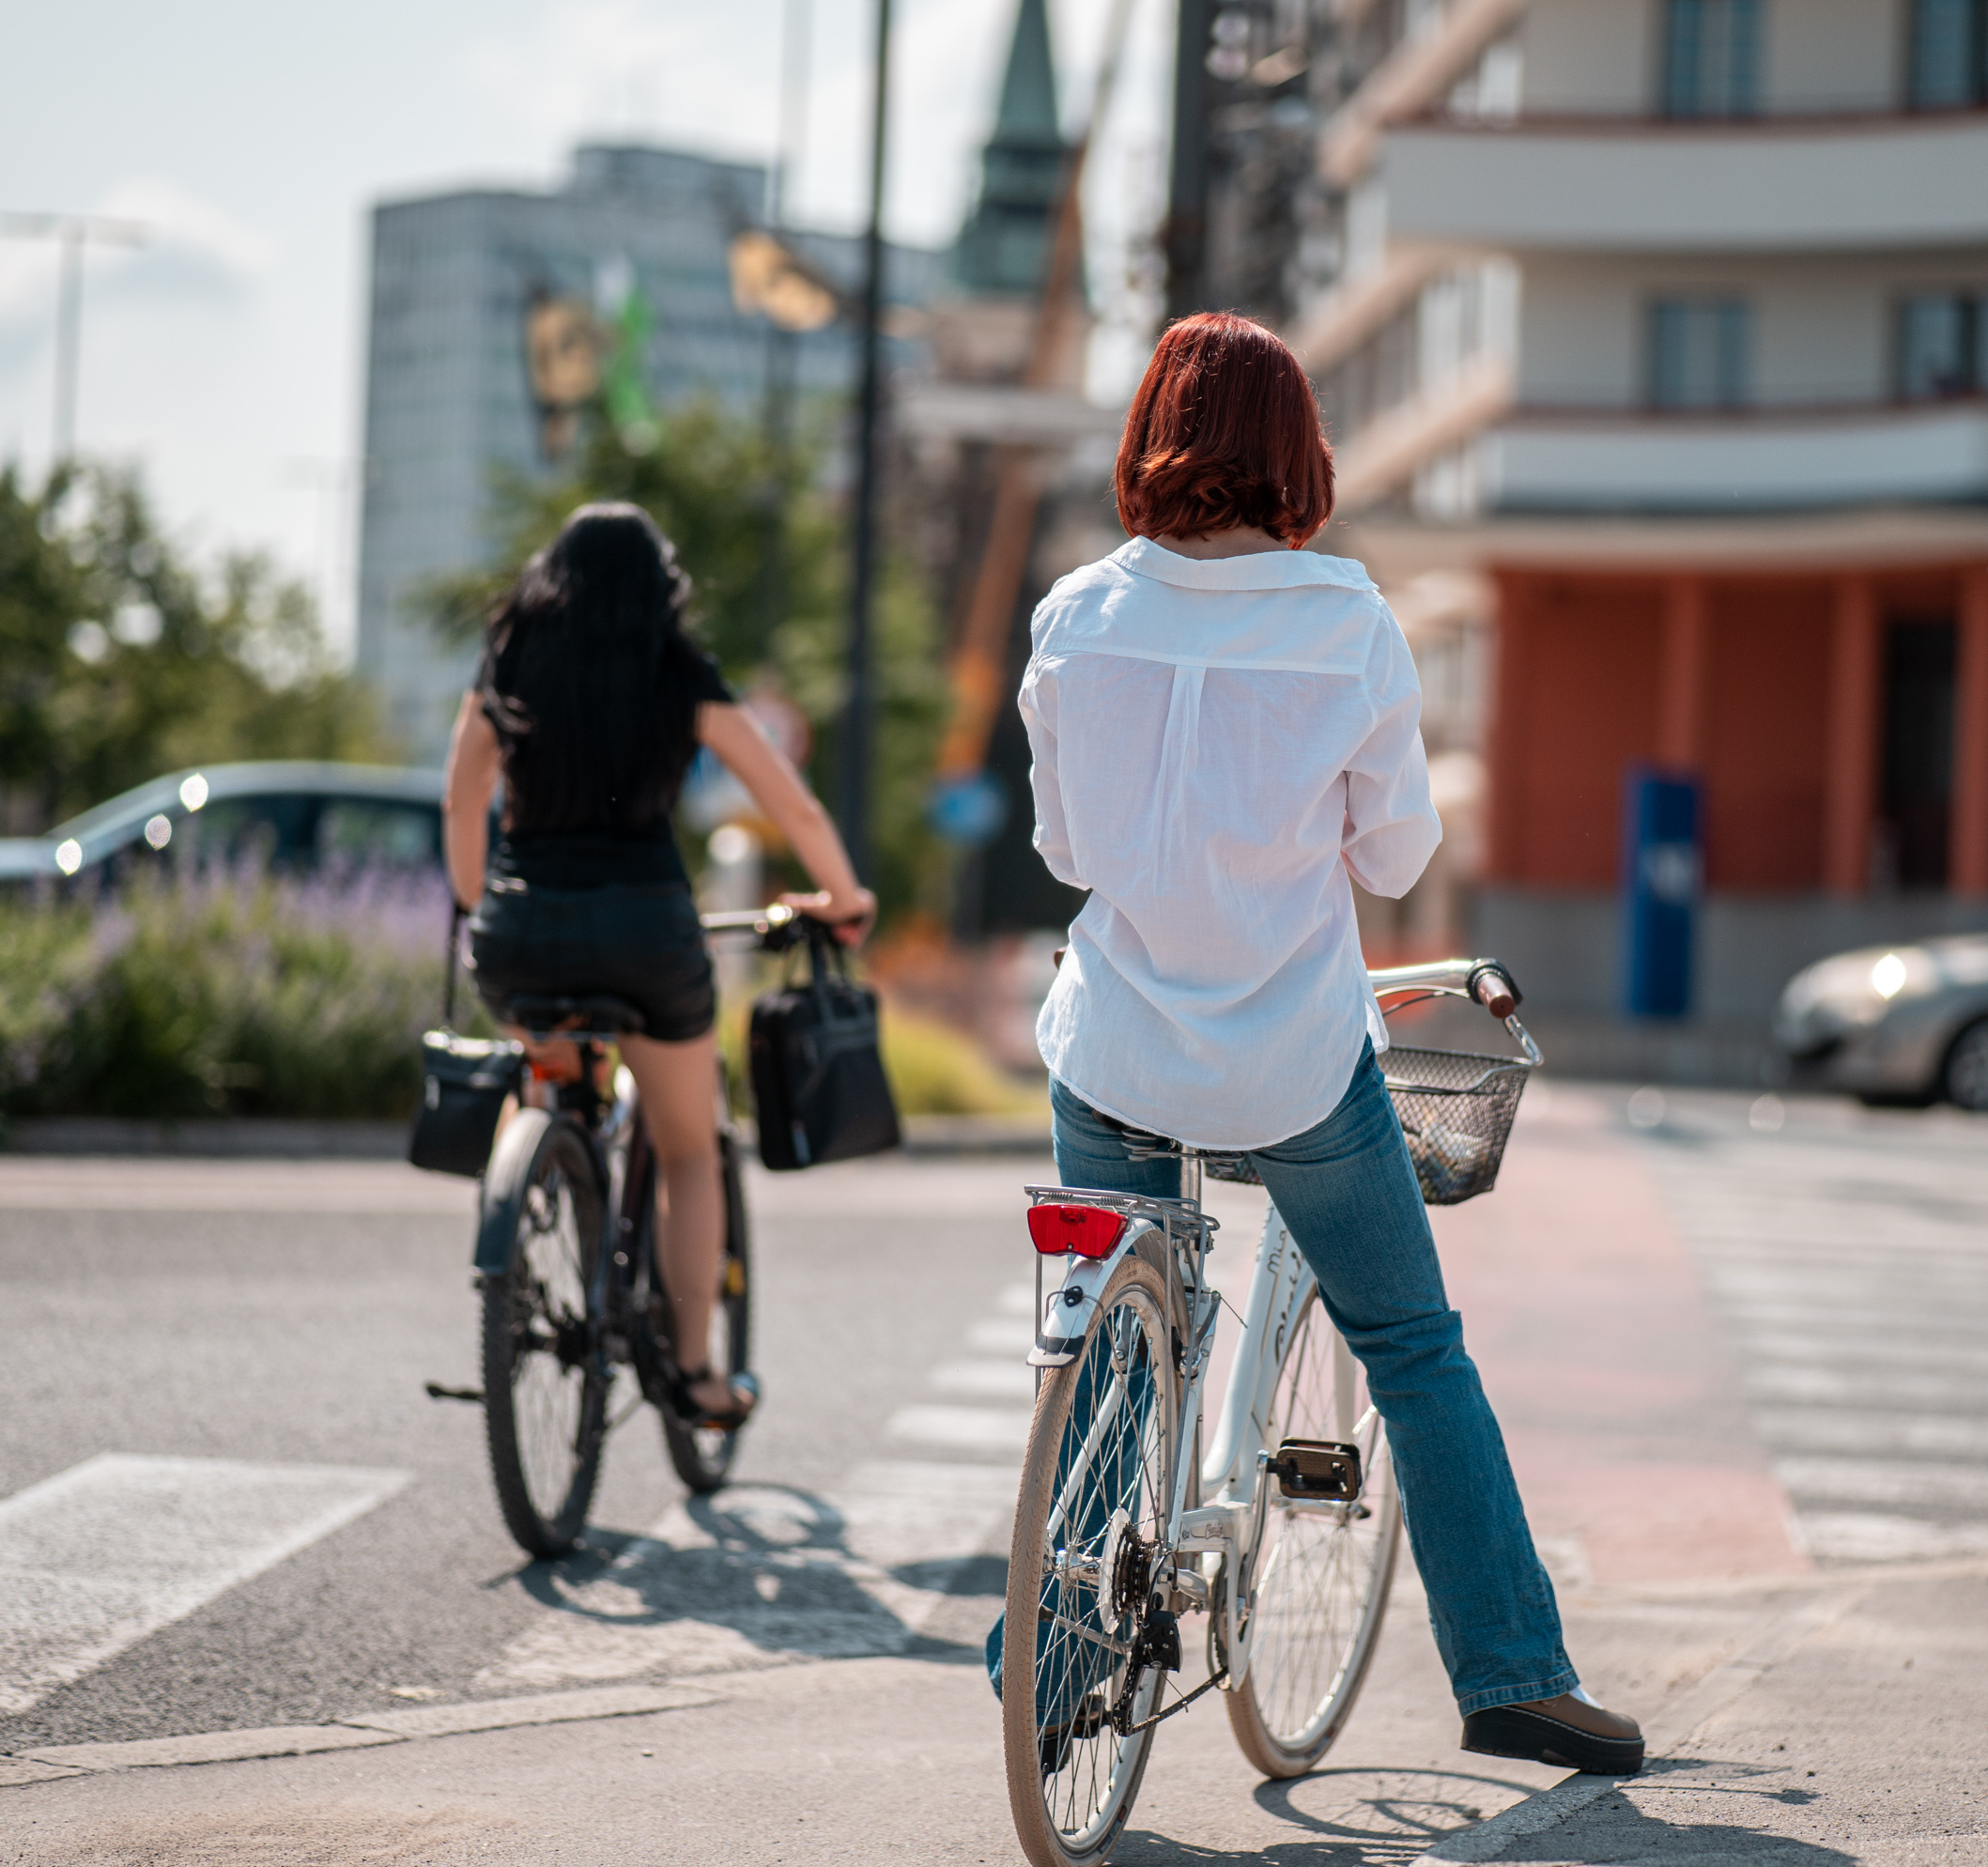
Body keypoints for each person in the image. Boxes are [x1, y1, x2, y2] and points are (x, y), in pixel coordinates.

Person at [1005, 315, 1644, 1775]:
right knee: (1413, 1350)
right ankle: (1514, 1677)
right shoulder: (1345, 620)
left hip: (1111, 1042)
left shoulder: (1071, 616)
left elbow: (1061, 848)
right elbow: (1397, 855)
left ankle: (1044, 1669)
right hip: (1292, 1061)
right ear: (1300, 457)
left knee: (1101, 1369)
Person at [442, 503, 873, 1427]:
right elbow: (789, 805)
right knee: (687, 1147)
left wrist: (483, 905)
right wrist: (842, 898)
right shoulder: (677, 671)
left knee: (550, 1070)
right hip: (645, 934)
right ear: (660, 589)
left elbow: (461, 796)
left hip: (522, 935)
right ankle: (691, 1370)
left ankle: (536, 1190)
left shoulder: (510, 660)